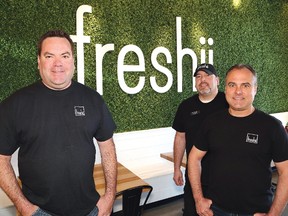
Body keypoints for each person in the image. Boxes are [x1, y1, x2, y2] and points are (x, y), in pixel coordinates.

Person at [0, 30, 117, 216]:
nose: (58, 63)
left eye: (64, 55)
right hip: (38, 212)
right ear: (38, 61)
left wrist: (110, 196)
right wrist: (22, 205)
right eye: (49, 56)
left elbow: (107, 147)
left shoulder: (93, 99)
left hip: (90, 210)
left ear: (73, 61)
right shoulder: (15, 104)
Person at [188, 64, 288, 215]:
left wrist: (274, 214)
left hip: (256, 211)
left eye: (245, 85)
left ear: (255, 89)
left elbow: (285, 171)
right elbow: (194, 157)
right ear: (225, 88)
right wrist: (198, 199)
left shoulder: (272, 126)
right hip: (215, 210)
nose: (238, 91)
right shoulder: (211, 122)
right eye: (232, 84)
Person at [172, 63, 228, 215]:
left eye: (207, 75)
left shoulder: (228, 103)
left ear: (217, 80)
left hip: (223, 176)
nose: (202, 80)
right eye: (198, 76)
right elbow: (180, 137)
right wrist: (176, 168)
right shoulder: (186, 106)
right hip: (193, 174)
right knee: (191, 211)